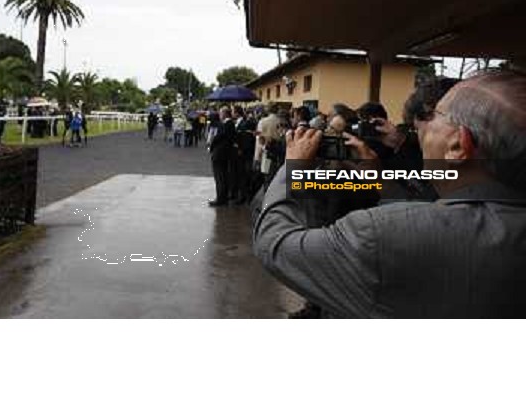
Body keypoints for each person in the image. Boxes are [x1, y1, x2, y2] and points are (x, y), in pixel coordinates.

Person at [253, 70, 526, 318]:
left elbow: (274, 243)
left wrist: (293, 169)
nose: (418, 129)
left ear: (457, 145)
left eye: (433, 118)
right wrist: (377, 176)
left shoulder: (378, 234)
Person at [208, 106, 237, 207]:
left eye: (221, 113)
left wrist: (211, 144)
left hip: (220, 154)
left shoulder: (227, 124)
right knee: (222, 176)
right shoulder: (228, 124)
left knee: (220, 177)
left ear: (225, 114)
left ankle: (220, 198)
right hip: (223, 154)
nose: (220, 115)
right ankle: (222, 197)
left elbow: (219, 138)